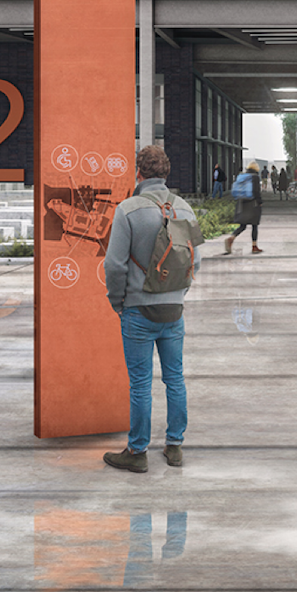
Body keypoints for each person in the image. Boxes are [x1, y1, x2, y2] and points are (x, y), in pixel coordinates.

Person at [102, 145, 191, 472]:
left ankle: (137, 452)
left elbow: (114, 265)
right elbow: (194, 260)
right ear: (166, 173)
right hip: (174, 309)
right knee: (175, 379)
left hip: (138, 310)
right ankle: (175, 446)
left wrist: (118, 301)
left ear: (138, 173)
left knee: (140, 384)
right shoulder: (184, 209)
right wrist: (179, 294)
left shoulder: (128, 209)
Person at [221, 163, 264, 255]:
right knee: (254, 225)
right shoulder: (255, 177)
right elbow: (256, 191)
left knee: (243, 225)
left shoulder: (242, 176)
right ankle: (254, 246)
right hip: (253, 204)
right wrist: (260, 202)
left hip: (242, 204)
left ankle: (231, 237)